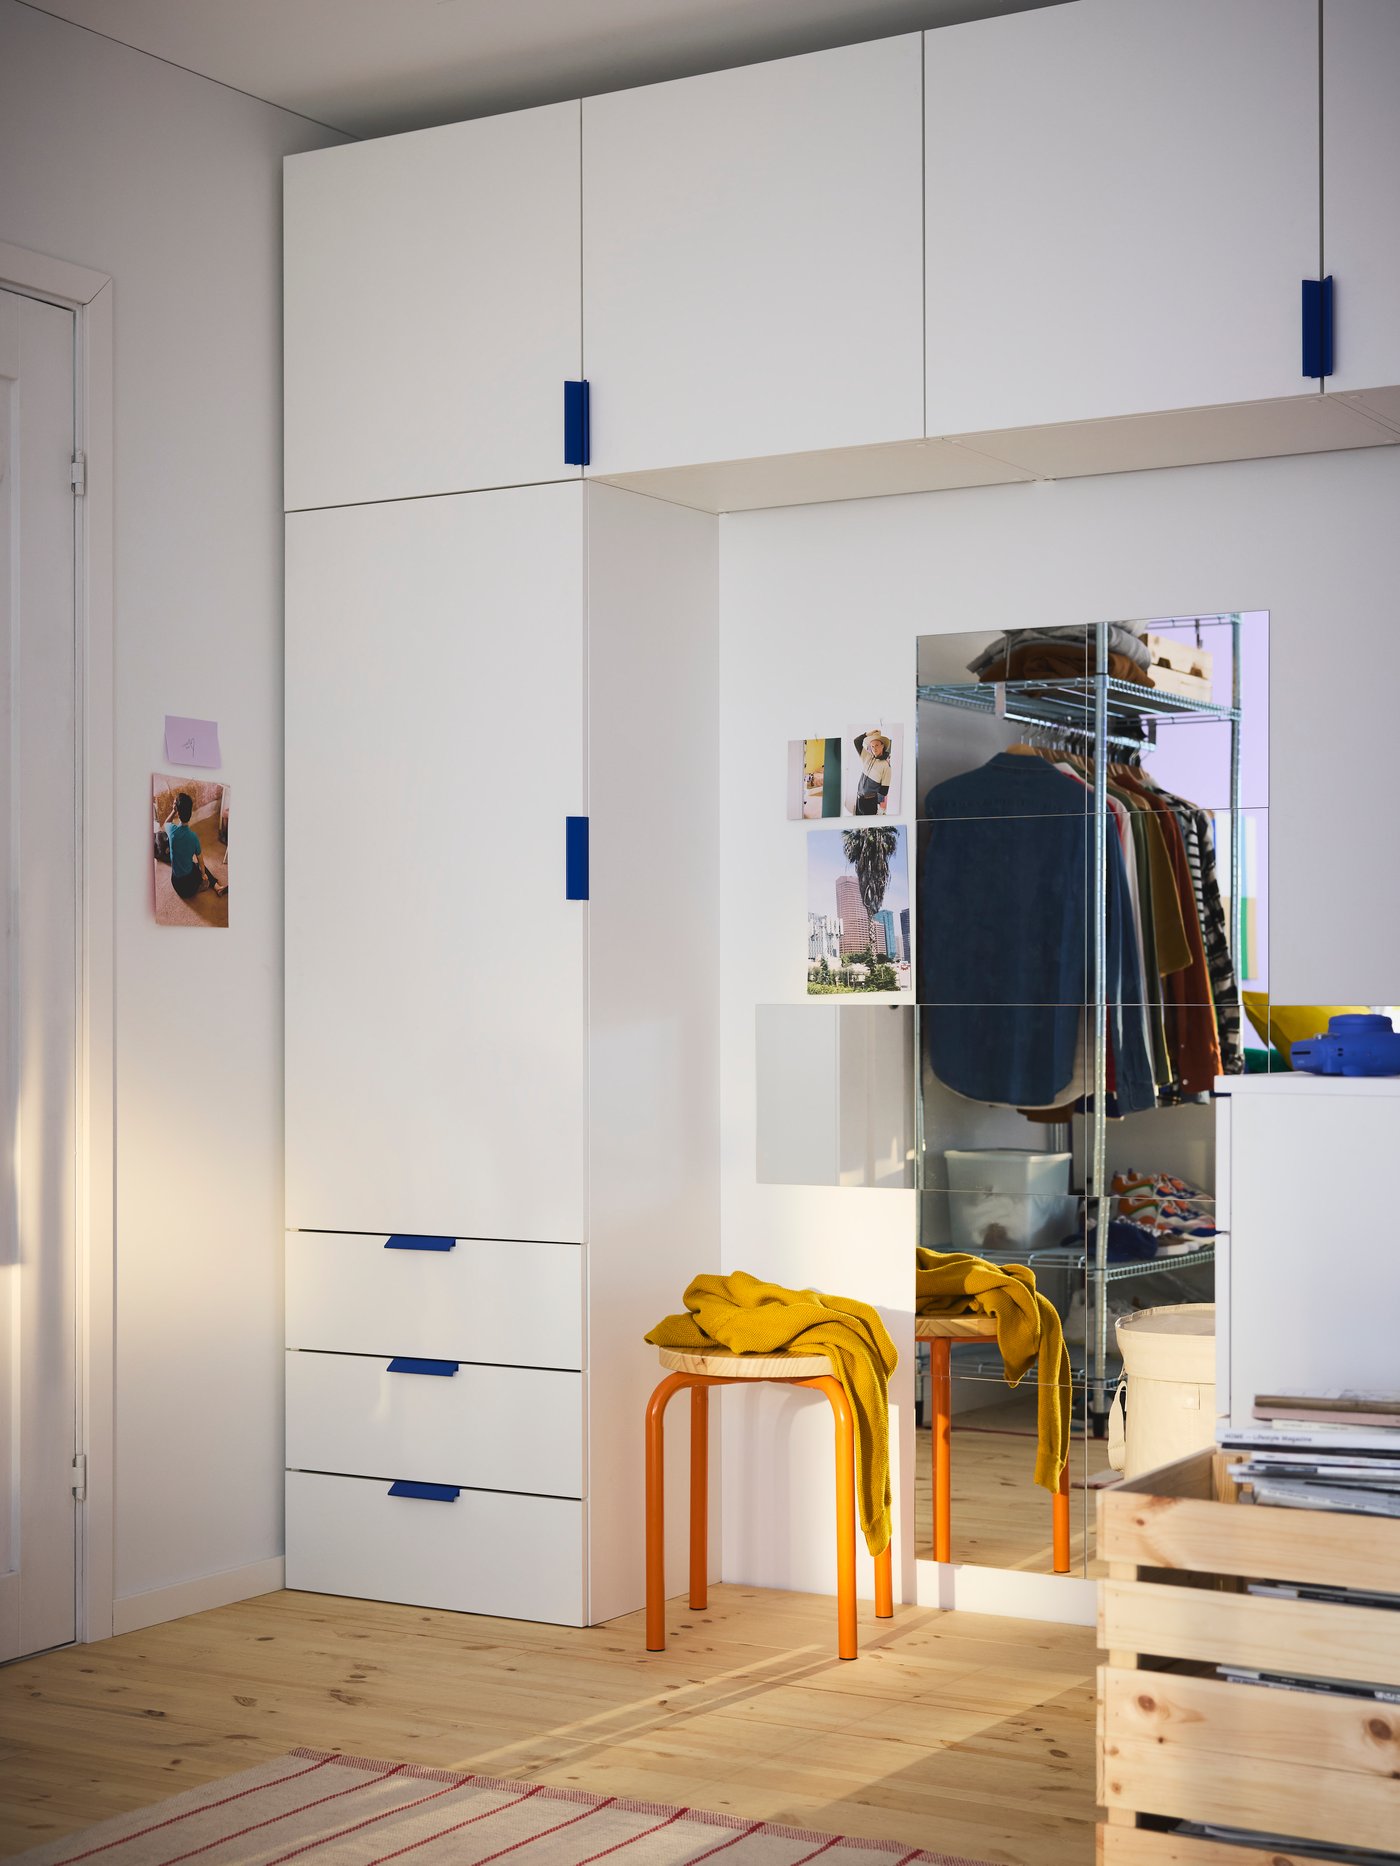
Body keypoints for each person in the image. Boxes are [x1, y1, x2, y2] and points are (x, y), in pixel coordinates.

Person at [164, 791, 226, 901]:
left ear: (178, 811)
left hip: (176, 884)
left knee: (192, 865)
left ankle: (214, 886)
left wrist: (174, 811)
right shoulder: (193, 837)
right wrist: (203, 875)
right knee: (200, 866)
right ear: (190, 813)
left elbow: (166, 822)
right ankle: (215, 886)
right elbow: (201, 861)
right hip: (190, 888)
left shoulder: (171, 831)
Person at [852, 730, 892, 816]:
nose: (874, 749)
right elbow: (856, 741)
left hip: (870, 803)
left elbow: (884, 790)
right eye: (872, 746)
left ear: (882, 746)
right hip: (859, 799)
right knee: (858, 827)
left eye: (877, 745)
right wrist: (867, 734)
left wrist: (872, 796)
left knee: (869, 828)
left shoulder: (886, 766)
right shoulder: (867, 756)